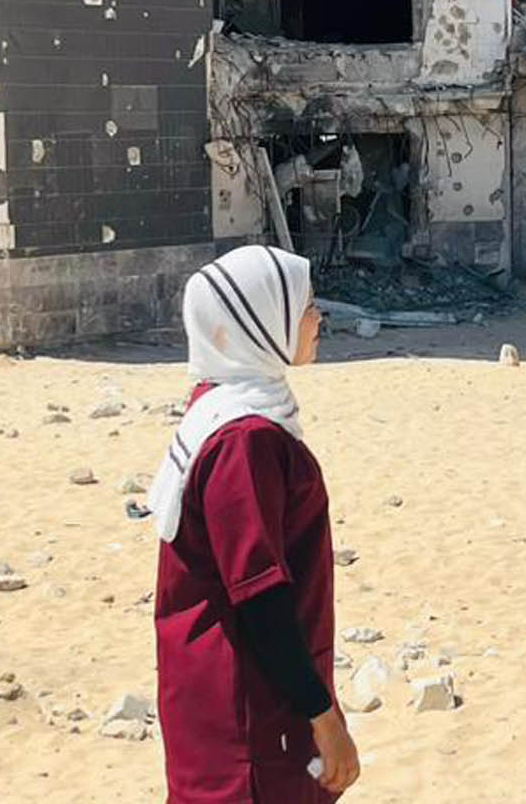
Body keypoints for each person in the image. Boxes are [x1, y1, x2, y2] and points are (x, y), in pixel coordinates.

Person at [149, 244, 357, 799]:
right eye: (304, 305)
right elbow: (258, 594)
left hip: (232, 692)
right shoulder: (244, 439)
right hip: (247, 709)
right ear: (256, 322)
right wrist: (321, 713)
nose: (317, 318)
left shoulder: (226, 408)